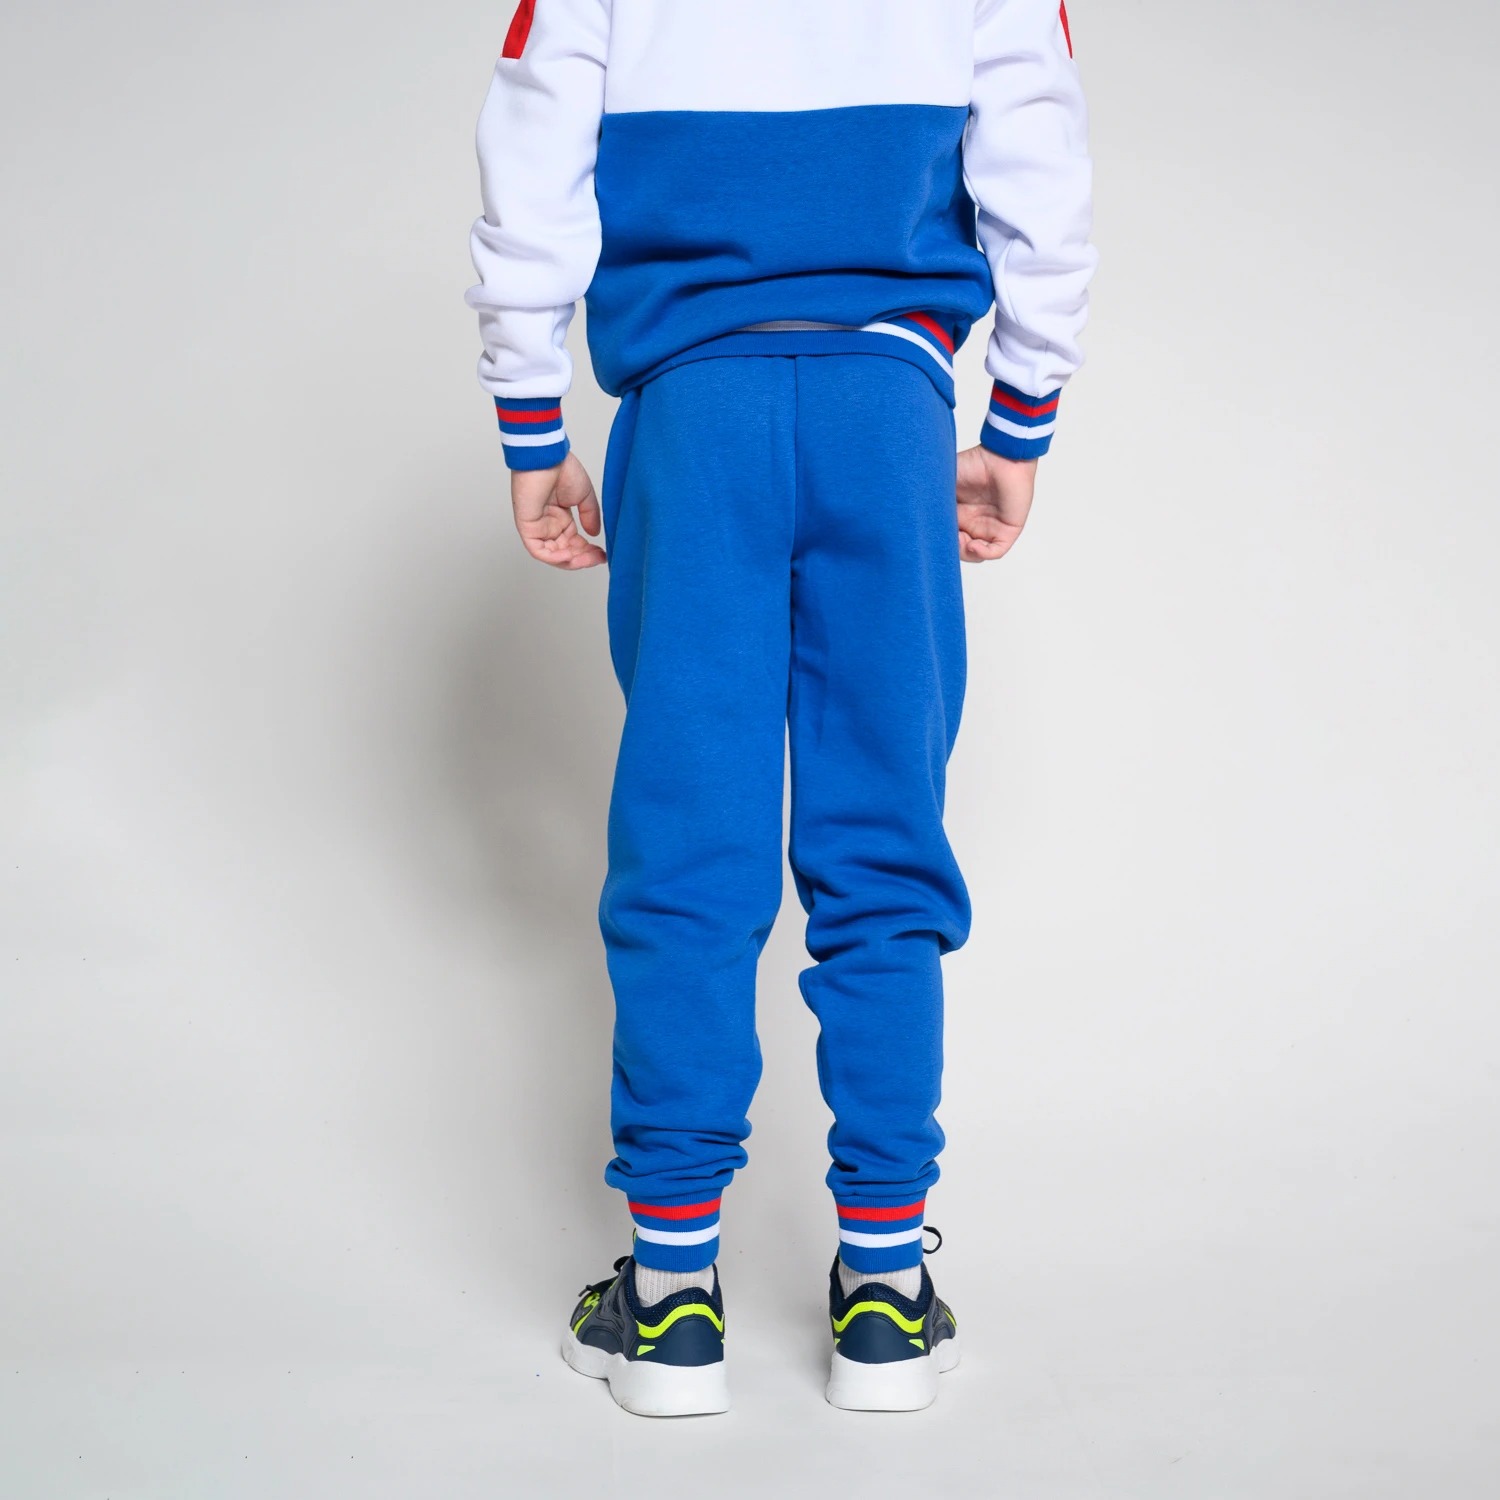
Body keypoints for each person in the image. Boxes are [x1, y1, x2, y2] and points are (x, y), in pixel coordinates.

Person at [465, 0, 1095, 1415]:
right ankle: (886, 1295)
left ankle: (671, 1303)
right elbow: (1041, 180)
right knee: (884, 846)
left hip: (694, 410)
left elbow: (531, 178)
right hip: (887, 408)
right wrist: (1019, 419)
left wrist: (531, 421)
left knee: (689, 844)